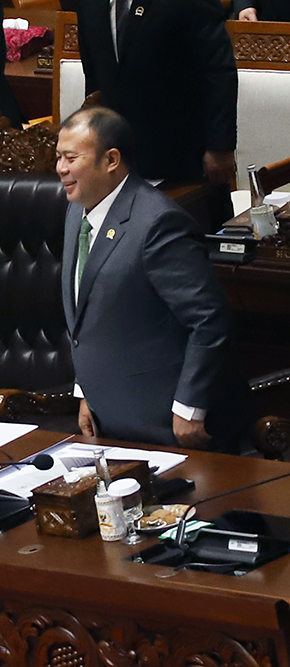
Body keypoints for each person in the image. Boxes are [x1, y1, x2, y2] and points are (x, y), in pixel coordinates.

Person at [57, 107, 244, 453]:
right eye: (59, 158)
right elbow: (87, 317)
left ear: (111, 160)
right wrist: (86, 390)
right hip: (109, 423)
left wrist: (189, 406)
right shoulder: (76, 212)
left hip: (168, 426)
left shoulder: (158, 223)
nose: (61, 169)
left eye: (71, 158)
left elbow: (208, 319)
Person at [74, 0, 238, 228]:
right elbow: (94, 81)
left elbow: (218, 70)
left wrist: (220, 146)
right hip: (119, 162)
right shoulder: (89, 5)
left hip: (184, 160)